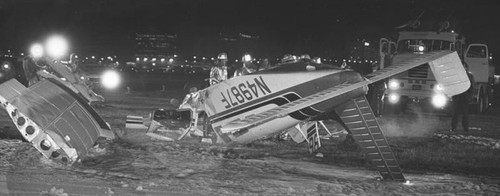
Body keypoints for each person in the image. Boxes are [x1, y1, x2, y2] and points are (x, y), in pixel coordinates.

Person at [451, 64, 475, 132]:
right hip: (457, 97)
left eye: (464, 67)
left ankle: (465, 128)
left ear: (466, 68)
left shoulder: (470, 76)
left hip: (465, 97)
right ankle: (453, 127)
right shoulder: (457, 76)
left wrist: (469, 96)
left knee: (465, 114)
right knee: (456, 113)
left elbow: (472, 87)